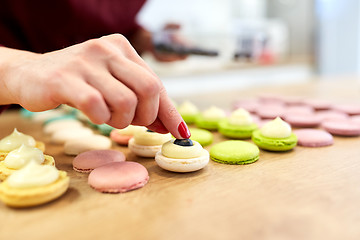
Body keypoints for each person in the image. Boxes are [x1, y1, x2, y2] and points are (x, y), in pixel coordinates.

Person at [0, 0, 191, 139]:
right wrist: (18, 68)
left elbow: (101, 23)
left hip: (86, 101)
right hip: (10, 110)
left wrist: (143, 39)